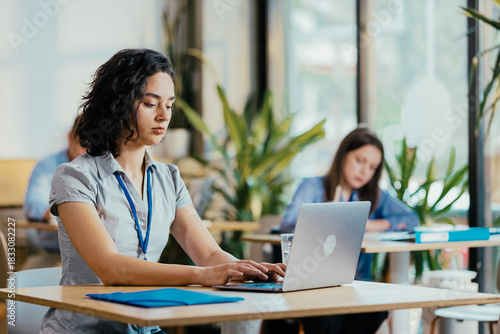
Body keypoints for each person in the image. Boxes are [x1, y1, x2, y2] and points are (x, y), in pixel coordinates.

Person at [40, 48, 285, 334]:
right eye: (150, 103)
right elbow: (111, 269)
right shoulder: (75, 176)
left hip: (146, 328)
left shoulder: (168, 177)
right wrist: (203, 276)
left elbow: (209, 255)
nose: (163, 116)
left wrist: (249, 270)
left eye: (169, 105)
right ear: (118, 105)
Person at [274, 127, 419, 334]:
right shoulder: (313, 187)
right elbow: (288, 225)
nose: (365, 171)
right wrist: (327, 222)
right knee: (327, 316)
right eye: (360, 161)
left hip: (357, 285)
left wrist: (372, 225)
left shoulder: (374, 196)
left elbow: (411, 218)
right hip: (315, 284)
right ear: (343, 155)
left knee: (377, 310)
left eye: (372, 167)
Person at [22, 115, 86, 270]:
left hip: (99, 258)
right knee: (18, 286)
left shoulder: (105, 167)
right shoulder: (47, 166)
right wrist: (67, 211)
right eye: (83, 142)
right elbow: (33, 204)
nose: (88, 149)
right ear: (70, 137)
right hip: (55, 254)